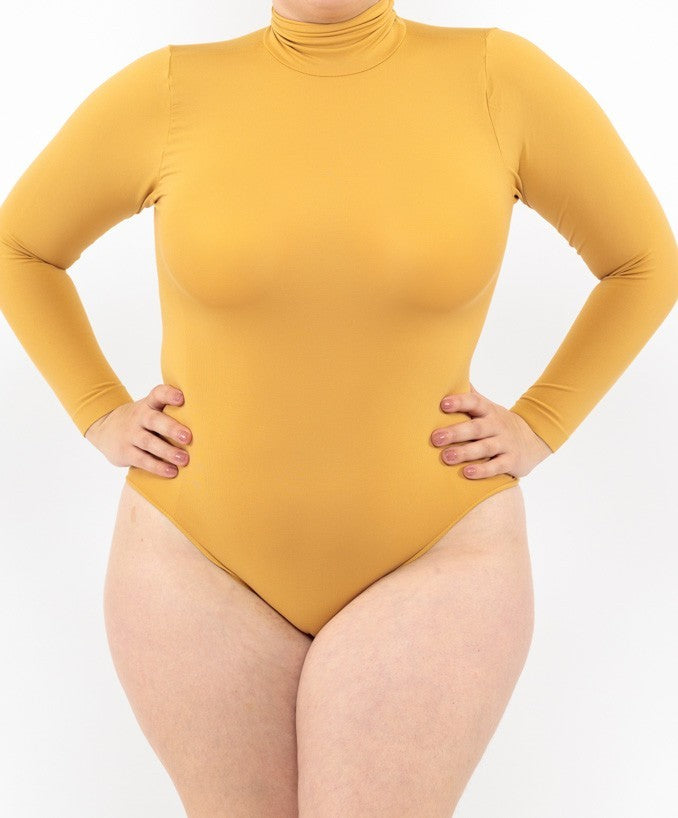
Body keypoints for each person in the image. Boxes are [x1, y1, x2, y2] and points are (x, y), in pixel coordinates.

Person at [1, 1, 676, 815]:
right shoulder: (171, 89)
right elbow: (20, 247)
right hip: (193, 558)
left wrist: (543, 421)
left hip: (437, 554)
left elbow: (644, 262)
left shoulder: (499, 78)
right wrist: (98, 409)